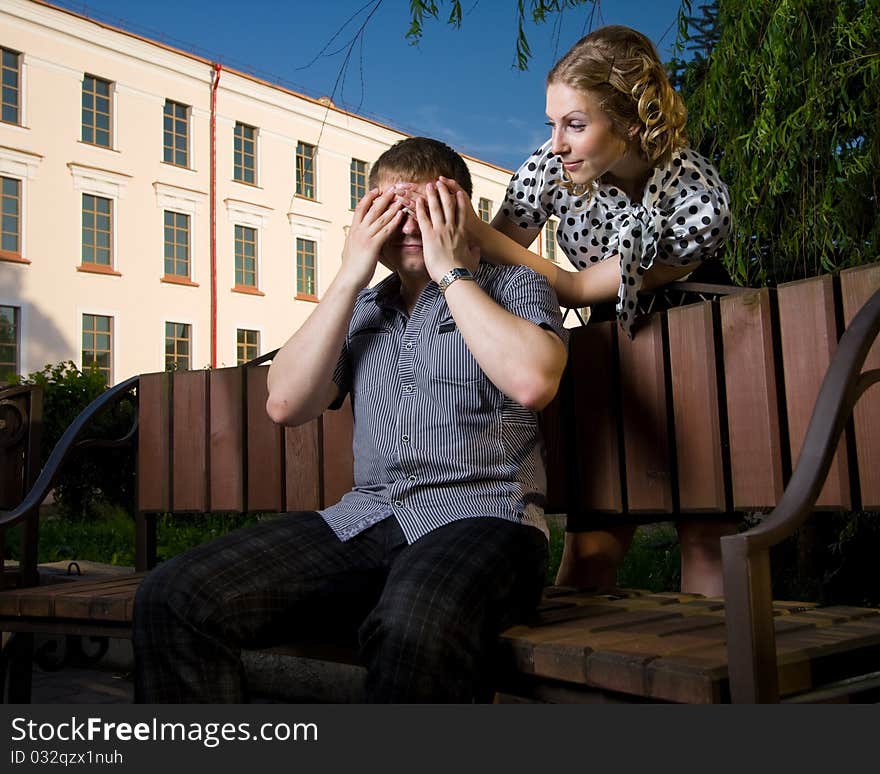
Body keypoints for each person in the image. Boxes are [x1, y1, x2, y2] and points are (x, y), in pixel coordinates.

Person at [132, 137, 569, 703]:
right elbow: (286, 404)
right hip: (365, 521)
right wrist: (348, 277)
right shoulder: (363, 308)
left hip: (487, 521)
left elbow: (534, 381)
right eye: (390, 210)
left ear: (461, 209)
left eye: (428, 208)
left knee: (413, 620)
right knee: (174, 595)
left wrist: (447, 270)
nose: (408, 226)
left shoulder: (514, 287)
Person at [418, 26, 733, 595]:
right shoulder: (551, 165)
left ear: (632, 124)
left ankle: (716, 673)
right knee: (591, 543)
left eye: (576, 124)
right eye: (552, 124)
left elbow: (576, 286)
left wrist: (473, 235)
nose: (556, 142)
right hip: (612, 344)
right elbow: (500, 260)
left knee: (705, 529)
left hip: (696, 332)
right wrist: (450, 239)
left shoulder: (695, 199)